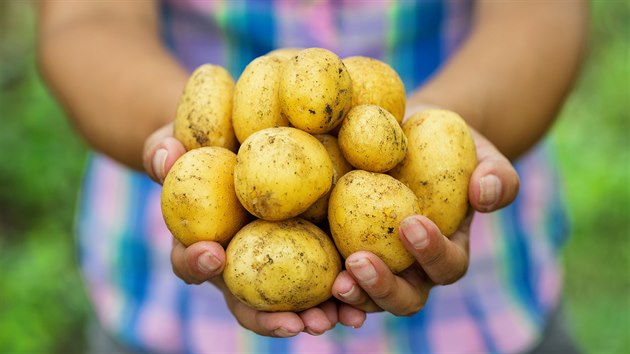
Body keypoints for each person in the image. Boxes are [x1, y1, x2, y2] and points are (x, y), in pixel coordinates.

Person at [37, 0, 587, 353]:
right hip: (165, 315)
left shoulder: (367, 150)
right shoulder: (247, 148)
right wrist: (191, 139)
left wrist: (442, 118)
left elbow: (543, 12)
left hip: (484, 313)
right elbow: (83, 19)